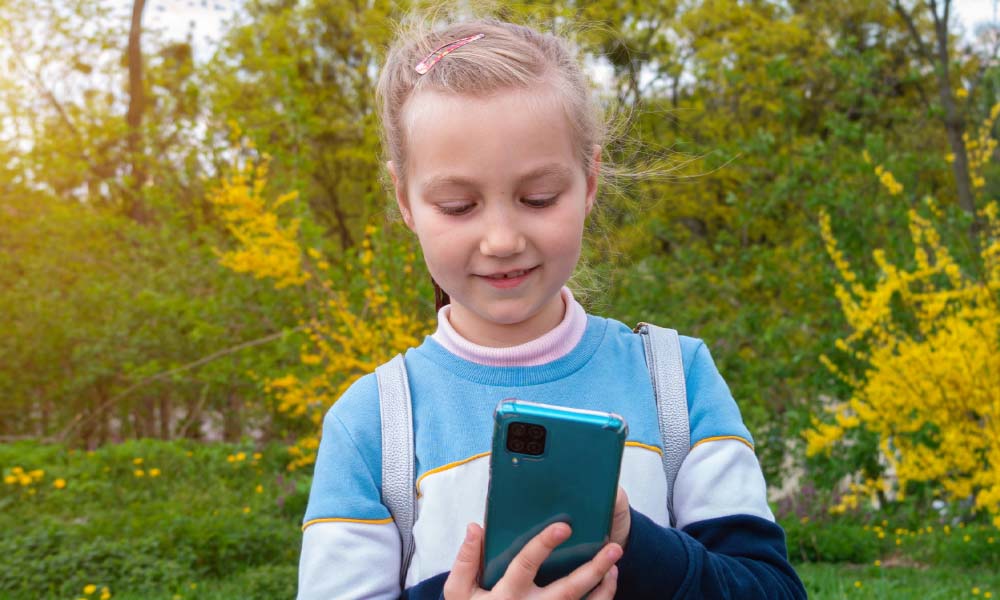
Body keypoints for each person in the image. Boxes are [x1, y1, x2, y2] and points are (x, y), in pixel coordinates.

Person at [297, 15, 806, 600]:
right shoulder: (371, 425)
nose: (502, 238)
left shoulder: (677, 381)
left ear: (588, 181)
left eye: (538, 198)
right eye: (459, 205)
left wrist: (627, 540)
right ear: (405, 201)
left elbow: (771, 589)